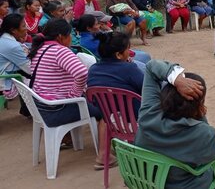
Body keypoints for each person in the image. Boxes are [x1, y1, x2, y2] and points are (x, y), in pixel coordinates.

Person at [28, 18, 113, 169]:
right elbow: (81, 73)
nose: (72, 38)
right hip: (57, 109)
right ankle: (103, 155)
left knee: (90, 101)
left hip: (42, 107)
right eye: (70, 35)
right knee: (106, 110)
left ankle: (73, 138)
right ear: (61, 36)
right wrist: (75, 93)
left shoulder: (40, 48)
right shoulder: (60, 51)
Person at [135, 59, 215, 189]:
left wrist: (176, 79)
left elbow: (151, 67)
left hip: (148, 183)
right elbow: (212, 156)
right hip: (184, 185)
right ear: (199, 104)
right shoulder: (203, 134)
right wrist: (199, 112)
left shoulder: (148, 114)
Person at [88, 31, 144, 114]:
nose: (129, 52)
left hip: (109, 116)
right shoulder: (129, 69)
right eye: (128, 49)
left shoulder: (93, 69)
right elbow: (146, 88)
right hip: (134, 115)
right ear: (118, 55)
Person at [77, 14, 150, 67]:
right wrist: (109, 30)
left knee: (141, 54)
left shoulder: (84, 38)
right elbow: (115, 47)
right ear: (89, 28)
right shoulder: (93, 40)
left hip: (111, 59)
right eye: (97, 24)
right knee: (145, 56)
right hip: (114, 62)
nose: (99, 26)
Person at [0, 14, 31, 101]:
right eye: (24, 26)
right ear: (13, 30)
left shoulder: (4, 38)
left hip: (5, 73)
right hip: (4, 79)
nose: (26, 28)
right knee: (38, 79)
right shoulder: (13, 46)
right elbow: (29, 69)